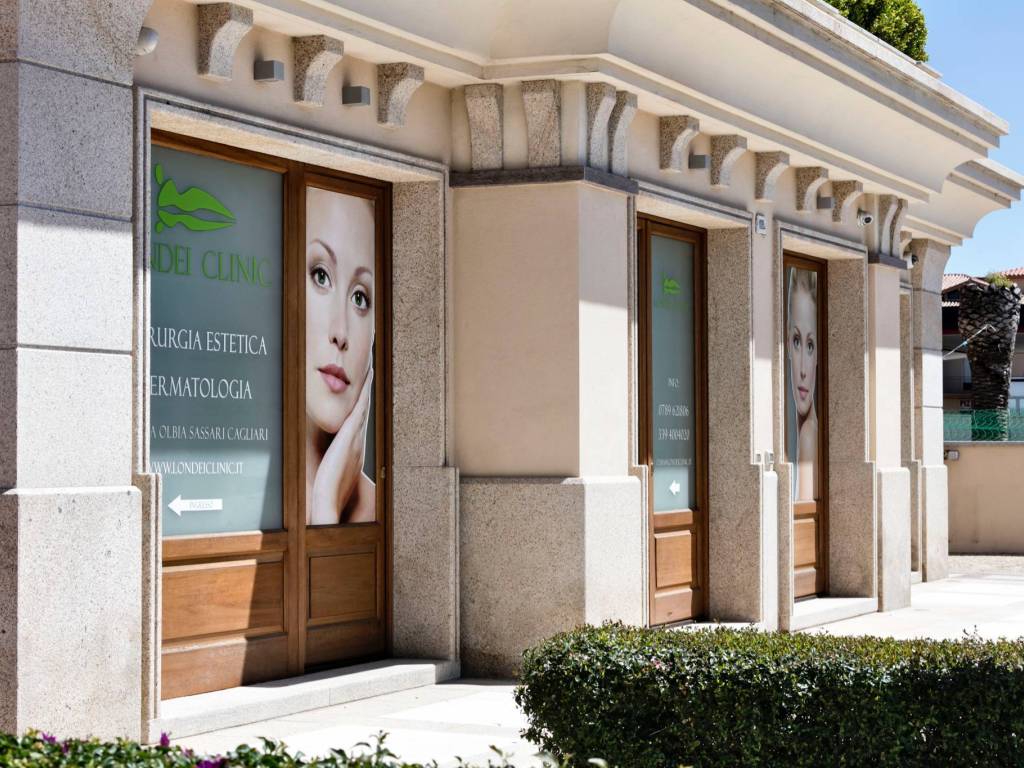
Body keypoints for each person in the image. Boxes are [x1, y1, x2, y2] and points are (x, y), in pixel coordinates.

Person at [305, 186, 376, 525]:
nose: (341, 332)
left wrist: (326, 504)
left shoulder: (383, 512)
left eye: (360, 298)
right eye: (321, 276)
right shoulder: (240, 500)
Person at [787, 267, 818, 502]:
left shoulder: (808, 435)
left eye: (810, 346)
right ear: (787, 343)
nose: (803, 371)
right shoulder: (806, 431)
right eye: (797, 341)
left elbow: (804, 515)